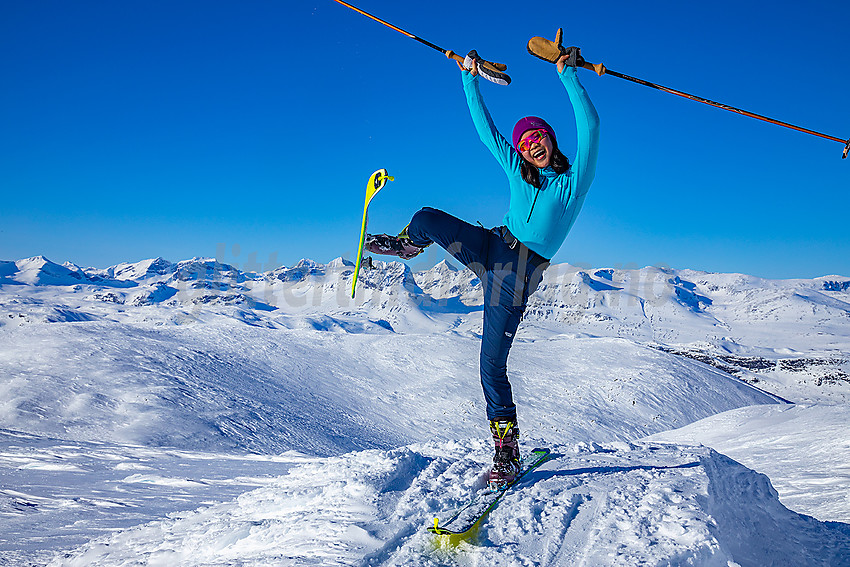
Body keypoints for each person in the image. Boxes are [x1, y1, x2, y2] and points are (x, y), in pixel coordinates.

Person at [365, 47, 600, 488]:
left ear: (551, 141)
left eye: (539, 139)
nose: (533, 147)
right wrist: (469, 78)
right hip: (491, 244)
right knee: (425, 217)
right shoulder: (518, 170)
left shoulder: (572, 184)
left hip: (515, 277)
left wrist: (569, 78)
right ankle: (408, 246)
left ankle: (507, 453)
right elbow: (488, 133)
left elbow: (591, 128)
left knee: (490, 366)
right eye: (526, 144)